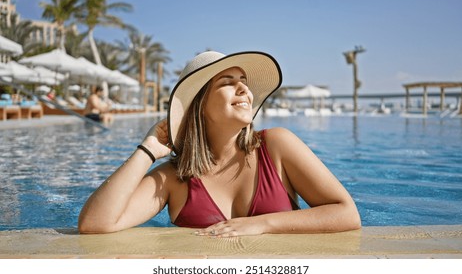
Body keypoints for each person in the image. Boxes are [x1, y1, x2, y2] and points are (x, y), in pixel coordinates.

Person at [78, 51, 361, 237]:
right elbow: (95, 224)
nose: (244, 90)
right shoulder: (175, 178)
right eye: (228, 82)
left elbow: (347, 213)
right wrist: (147, 150)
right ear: (199, 105)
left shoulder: (277, 146)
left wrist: (262, 223)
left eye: (244, 81)